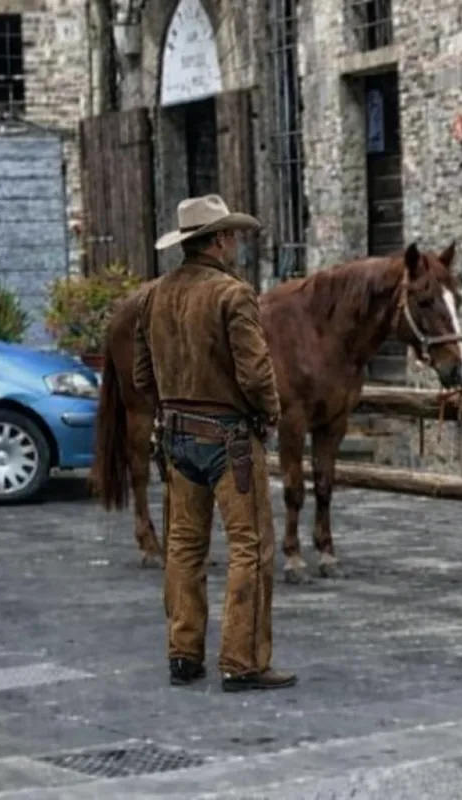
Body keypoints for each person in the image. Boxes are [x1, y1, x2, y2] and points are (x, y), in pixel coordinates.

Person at [133, 194, 296, 692]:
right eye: (232, 236)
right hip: (230, 440)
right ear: (220, 239)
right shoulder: (233, 294)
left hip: (177, 436)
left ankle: (184, 653)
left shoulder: (153, 295)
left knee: (183, 546)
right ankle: (242, 661)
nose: (235, 244)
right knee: (250, 547)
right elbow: (254, 371)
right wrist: (270, 411)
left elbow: (142, 376)